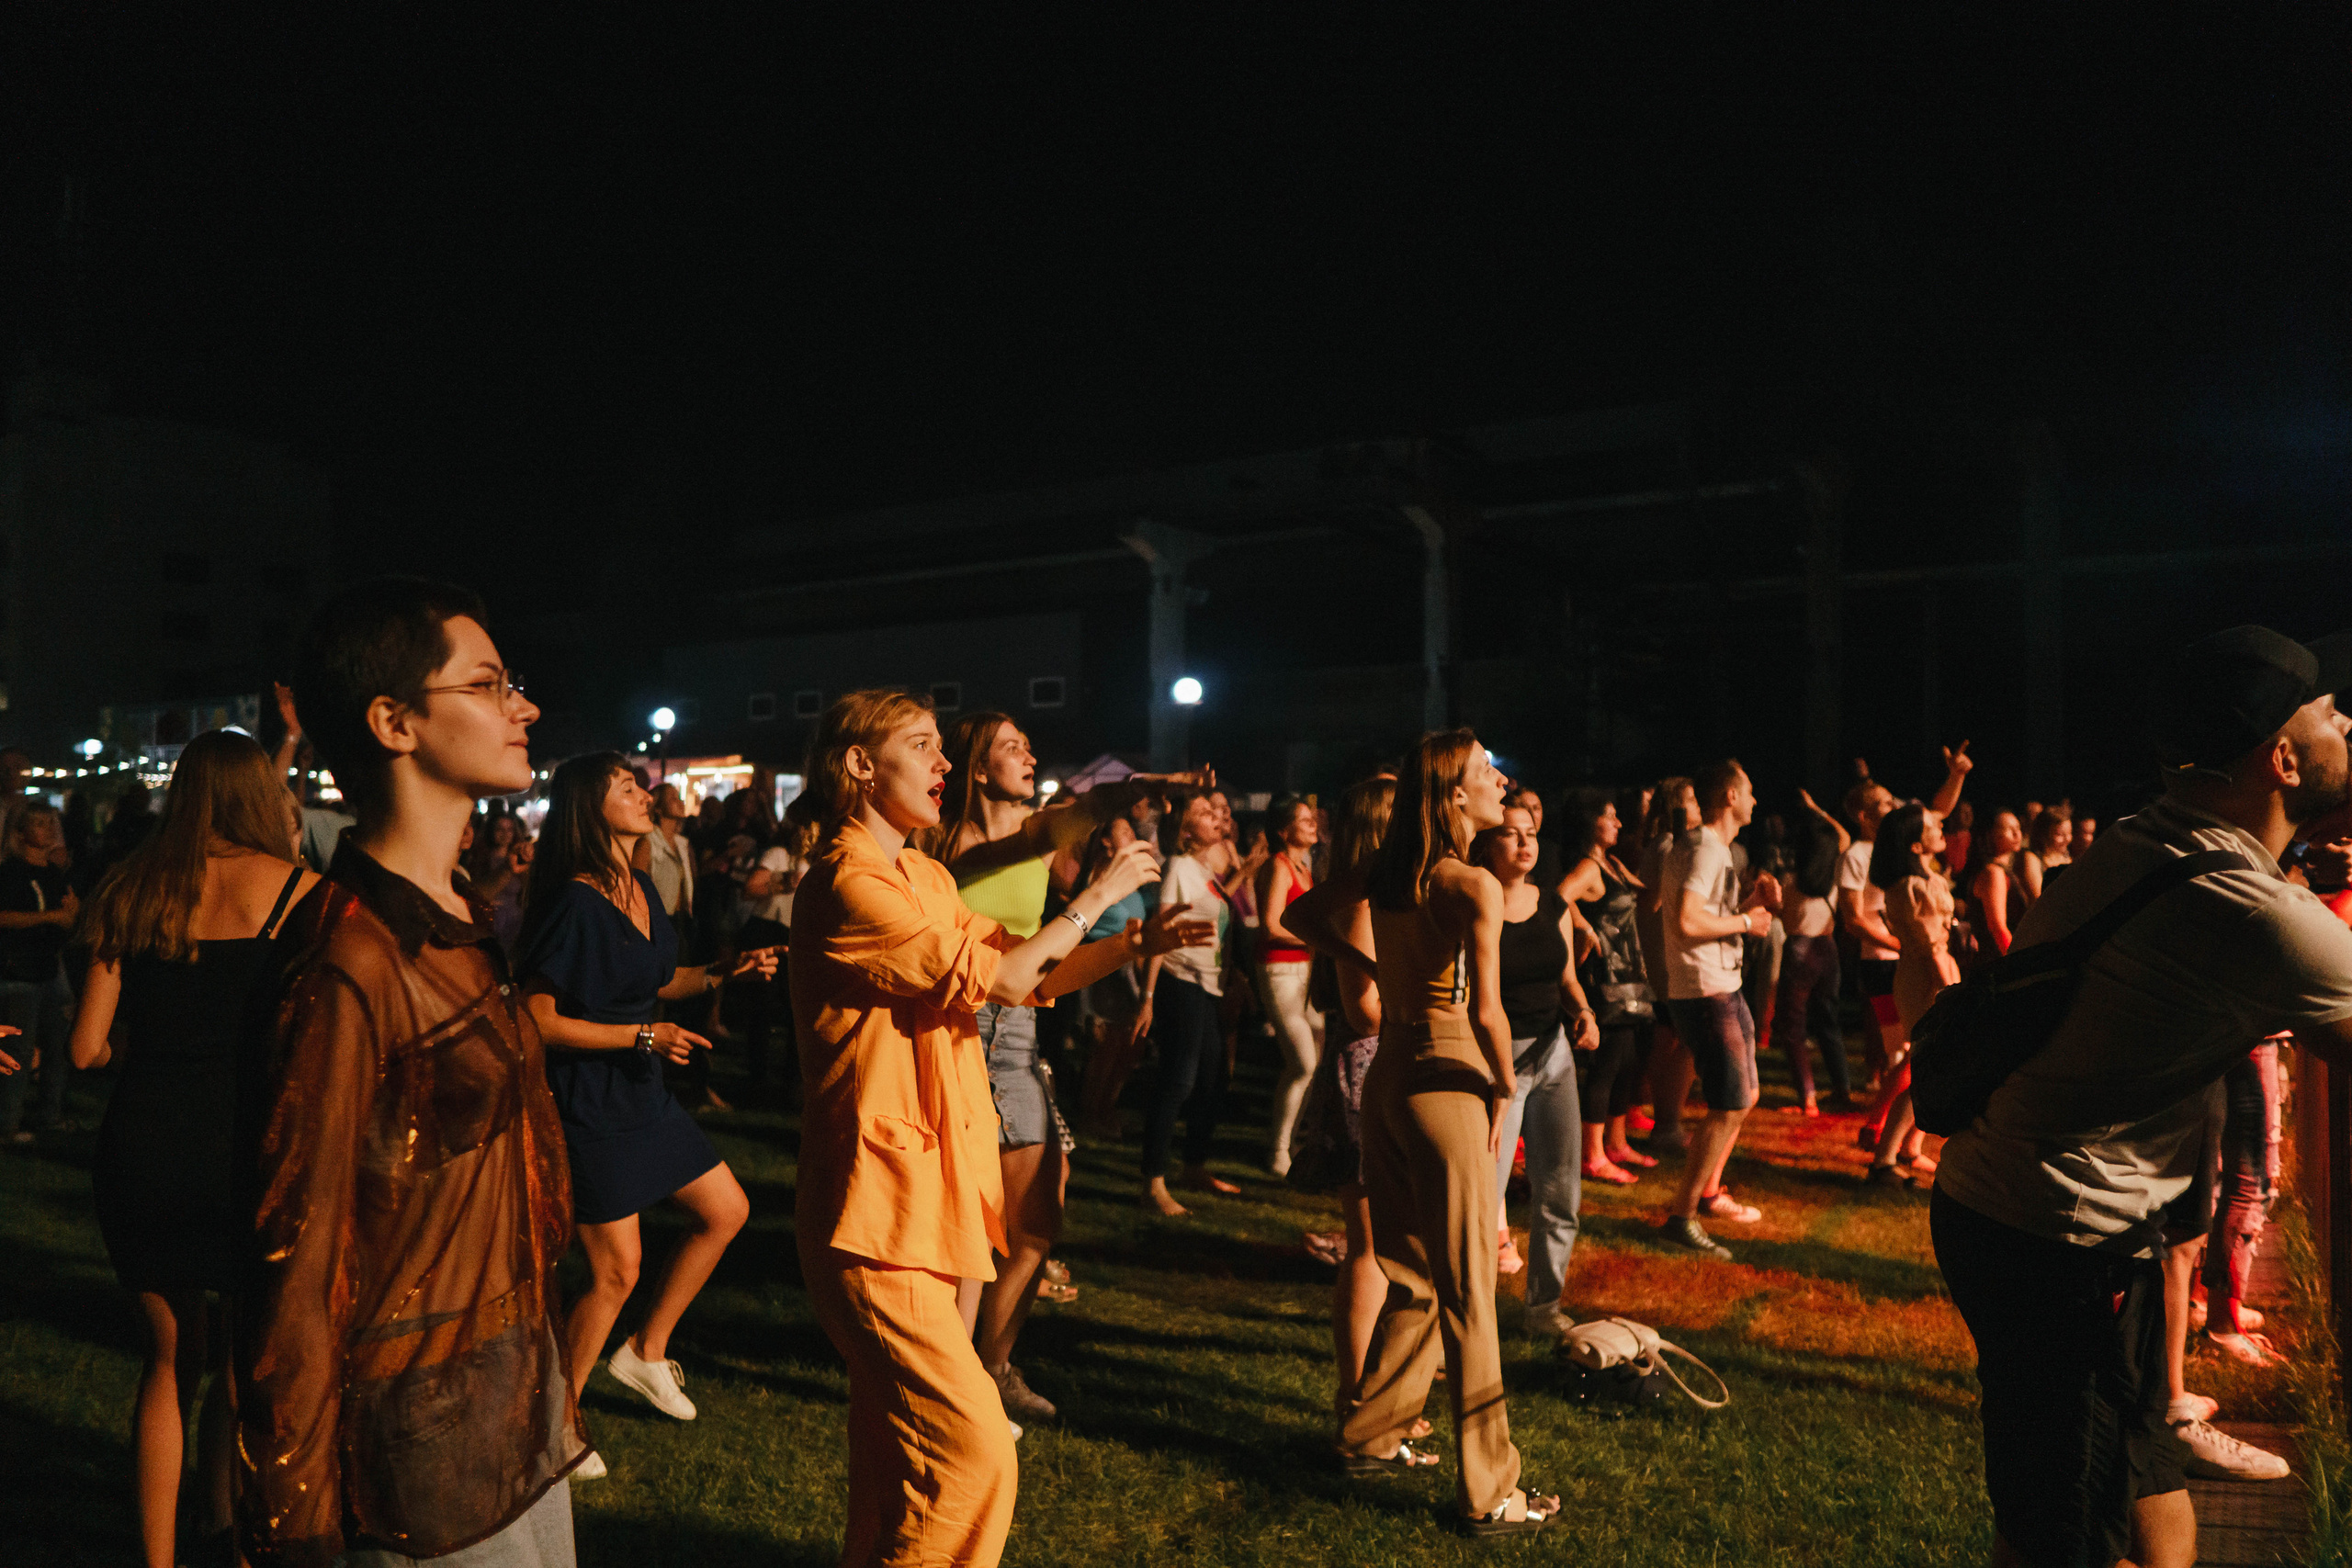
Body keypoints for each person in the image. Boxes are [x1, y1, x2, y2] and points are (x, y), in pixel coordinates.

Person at [1935, 626, 2352, 1567]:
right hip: (2055, 1245)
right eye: (2329, 712)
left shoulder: (2152, 842)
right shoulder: (2255, 915)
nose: (2349, 723)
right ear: (2282, 760)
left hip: (2033, 1219)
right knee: (2061, 1535)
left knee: (2141, 1473)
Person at [791, 690, 1203, 1565]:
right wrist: (1098, 895)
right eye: (922, 745)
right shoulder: (847, 883)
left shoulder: (927, 876)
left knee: (897, 1465)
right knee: (976, 1459)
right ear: (860, 763)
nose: (944, 763)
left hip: (924, 1199)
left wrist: (1132, 946)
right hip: (873, 1214)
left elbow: (1030, 973)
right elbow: (1010, 980)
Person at [239, 578, 588, 1568]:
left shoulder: (460, 919)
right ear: (393, 721)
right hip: (418, 1436)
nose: (523, 707)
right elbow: (294, 1262)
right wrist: (297, 1523)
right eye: (487, 685)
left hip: (511, 1391)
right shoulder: (350, 962)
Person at [1288, 731, 1561, 1536]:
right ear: (1453, 794)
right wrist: (1503, 1087)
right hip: (1448, 1076)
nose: (1500, 782)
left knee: (1412, 1273)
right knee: (1470, 1288)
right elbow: (1489, 1012)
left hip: (1389, 1077)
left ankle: (1369, 1433)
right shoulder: (1471, 883)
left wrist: (1370, 965)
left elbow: (1301, 913)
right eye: (1486, 772)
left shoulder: (1390, 871)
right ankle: (1491, 1490)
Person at [62, 732, 318, 1568]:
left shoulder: (132, 887)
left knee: (169, 1360)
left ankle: (162, 1554)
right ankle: (236, 1536)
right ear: (260, 797)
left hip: (145, 1143)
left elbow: (85, 1049)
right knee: (248, 1363)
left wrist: (146, 1045)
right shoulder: (303, 892)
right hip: (252, 1146)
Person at [919, 710, 1207, 1429]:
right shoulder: (941, 846)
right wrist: (1131, 794)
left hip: (1018, 1026)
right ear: (976, 767)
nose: (1028, 754)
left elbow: (1046, 971)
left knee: (1038, 1219)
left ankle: (992, 1366)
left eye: (1028, 744)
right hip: (957, 1028)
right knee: (971, 1226)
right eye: (1010, 747)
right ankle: (954, 1384)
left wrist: (1135, 945)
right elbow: (1066, 822)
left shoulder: (1039, 843)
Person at [515, 755, 779, 1472]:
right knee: (615, 1271)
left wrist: (723, 972)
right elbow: (536, 1018)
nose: (643, 793)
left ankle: (645, 1350)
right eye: (625, 787)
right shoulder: (574, 901)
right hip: (586, 1098)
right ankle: (556, 1429)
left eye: (639, 784)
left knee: (725, 1209)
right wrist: (642, 1036)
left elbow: (664, 979)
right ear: (587, 807)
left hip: (640, 1089)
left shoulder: (637, 885)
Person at [1476, 803, 1599, 1337]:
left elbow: (1567, 979)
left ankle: (1543, 1308)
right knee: (1485, 1195)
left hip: (1554, 1054)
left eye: (1530, 833)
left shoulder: (1552, 904)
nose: (1526, 844)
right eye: (1511, 834)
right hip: (1497, 1062)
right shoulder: (1475, 906)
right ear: (1487, 845)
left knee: (1560, 1189)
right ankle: (1472, 1315)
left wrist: (1584, 1012)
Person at [1656, 760, 1782, 1259]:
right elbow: (1687, 921)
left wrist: (1750, 904)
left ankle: (1708, 1192)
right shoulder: (1706, 847)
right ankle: (1681, 1217)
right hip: (1706, 990)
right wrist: (1746, 923)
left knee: (1745, 1095)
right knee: (1728, 1102)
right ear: (1730, 796)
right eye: (1748, 791)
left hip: (1722, 985)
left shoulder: (1711, 848)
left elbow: (1706, 916)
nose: (1754, 800)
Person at [1137, 792, 1242, 1217]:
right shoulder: (1179, 867)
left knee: (1213, 1080)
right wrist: (1147, 998)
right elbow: (1160, 931)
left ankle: (1193, 1166)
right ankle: (1152, 1183)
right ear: (1184, 831)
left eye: (1216, 812)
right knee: (1178, 1081)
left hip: (1208, 984)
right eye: (1203, 813)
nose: (1216, 817)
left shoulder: (1203, 870)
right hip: (1180, 981)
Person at [1560, 789, 1656, 1179]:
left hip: (1628, 976)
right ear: (1590, 822)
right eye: (1610, 816)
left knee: (1627, 1063)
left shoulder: (1612, 863)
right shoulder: (1588, 868)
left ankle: (1616, 1143)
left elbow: (1648, 894)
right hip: (1605, 980)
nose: (1618, 823)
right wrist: (1583, 926)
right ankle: (1592, 1154)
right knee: (1607, 1065)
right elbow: (1558, 897)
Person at [1861, 803, 1958, 1187]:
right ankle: (1884, 1160)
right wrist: (1950, 993)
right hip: (1925, 978)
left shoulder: (1928, 879)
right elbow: (1929, 945)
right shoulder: (1908, 887)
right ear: (1915, 846)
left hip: (1939, 969)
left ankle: (1906, 1149)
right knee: (1925, 1071)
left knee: (1934, 1068)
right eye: (1932, 825)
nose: (1940, 827)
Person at [1770, 789, 1853, 1115]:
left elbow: (1782, 916)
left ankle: (1807, 1097)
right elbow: (1843, 836)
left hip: (1800, 952)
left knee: (1793, 1026)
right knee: (1828, 1022)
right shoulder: (1833, 878)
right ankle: (1842, 1089)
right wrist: (1818, 809)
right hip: (1828, 950)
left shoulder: (1791, 883)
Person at [1256, 795, 1327, 1176]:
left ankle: (1291, 1141)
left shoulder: (1303, 867)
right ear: (1284, 831)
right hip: (1280, 971)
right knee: (1302, 1063)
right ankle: (1277, 1151)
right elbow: (1270, 925)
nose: (1313, 823)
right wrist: (1315, 940)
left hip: (1304, 972)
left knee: (1315, 1060)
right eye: (1304, 819)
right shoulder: (1278, 866)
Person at [0, 801, 79, 1141]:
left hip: (51, 969)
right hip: (19, 972)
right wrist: (52, 917)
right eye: (39, 823)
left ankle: (50, 1115)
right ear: (20, 832)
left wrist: (72, 915)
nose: (48, 829)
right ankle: (7, 1125)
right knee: (17, 1051)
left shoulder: (52, 874)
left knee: (60, 1046)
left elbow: (68, 919)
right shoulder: (10, 873)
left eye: (51, 822)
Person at [1634, 778, 1698, 1150]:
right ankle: (1667, 1123)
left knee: (1669, 1036)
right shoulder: (1668, 846)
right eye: (1692, 800)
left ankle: (1659, 1115)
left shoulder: (1665, 844)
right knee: (1687, 1036)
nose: (1699, 806)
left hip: (1664, 955)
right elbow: (1652, 903)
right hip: (1666, 957)